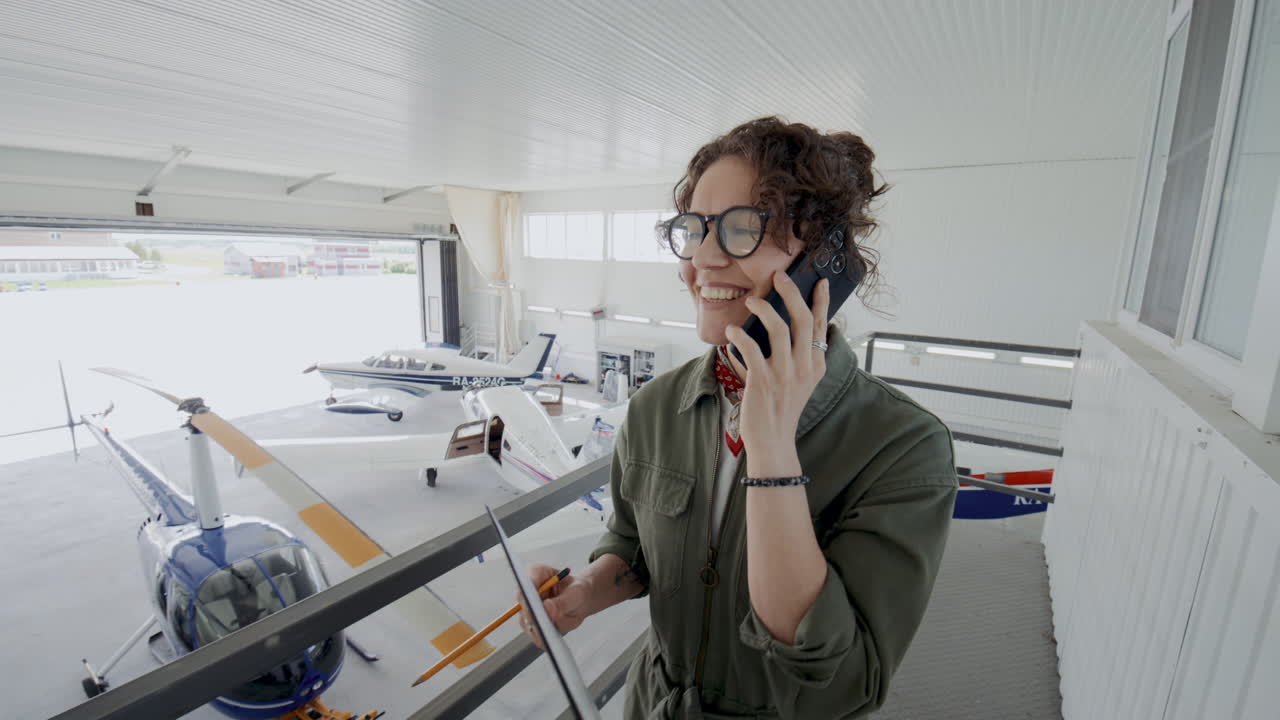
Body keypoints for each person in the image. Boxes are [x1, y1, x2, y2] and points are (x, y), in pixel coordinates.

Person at [520, 117, 957, 719]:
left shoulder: (904, 446)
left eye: (743, 229)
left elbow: (843, 681)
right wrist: (585, 593)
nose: (701, 260)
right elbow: (631, 545)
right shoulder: (656, 406)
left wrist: (773, 448)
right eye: (694, 229)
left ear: (823, 262)